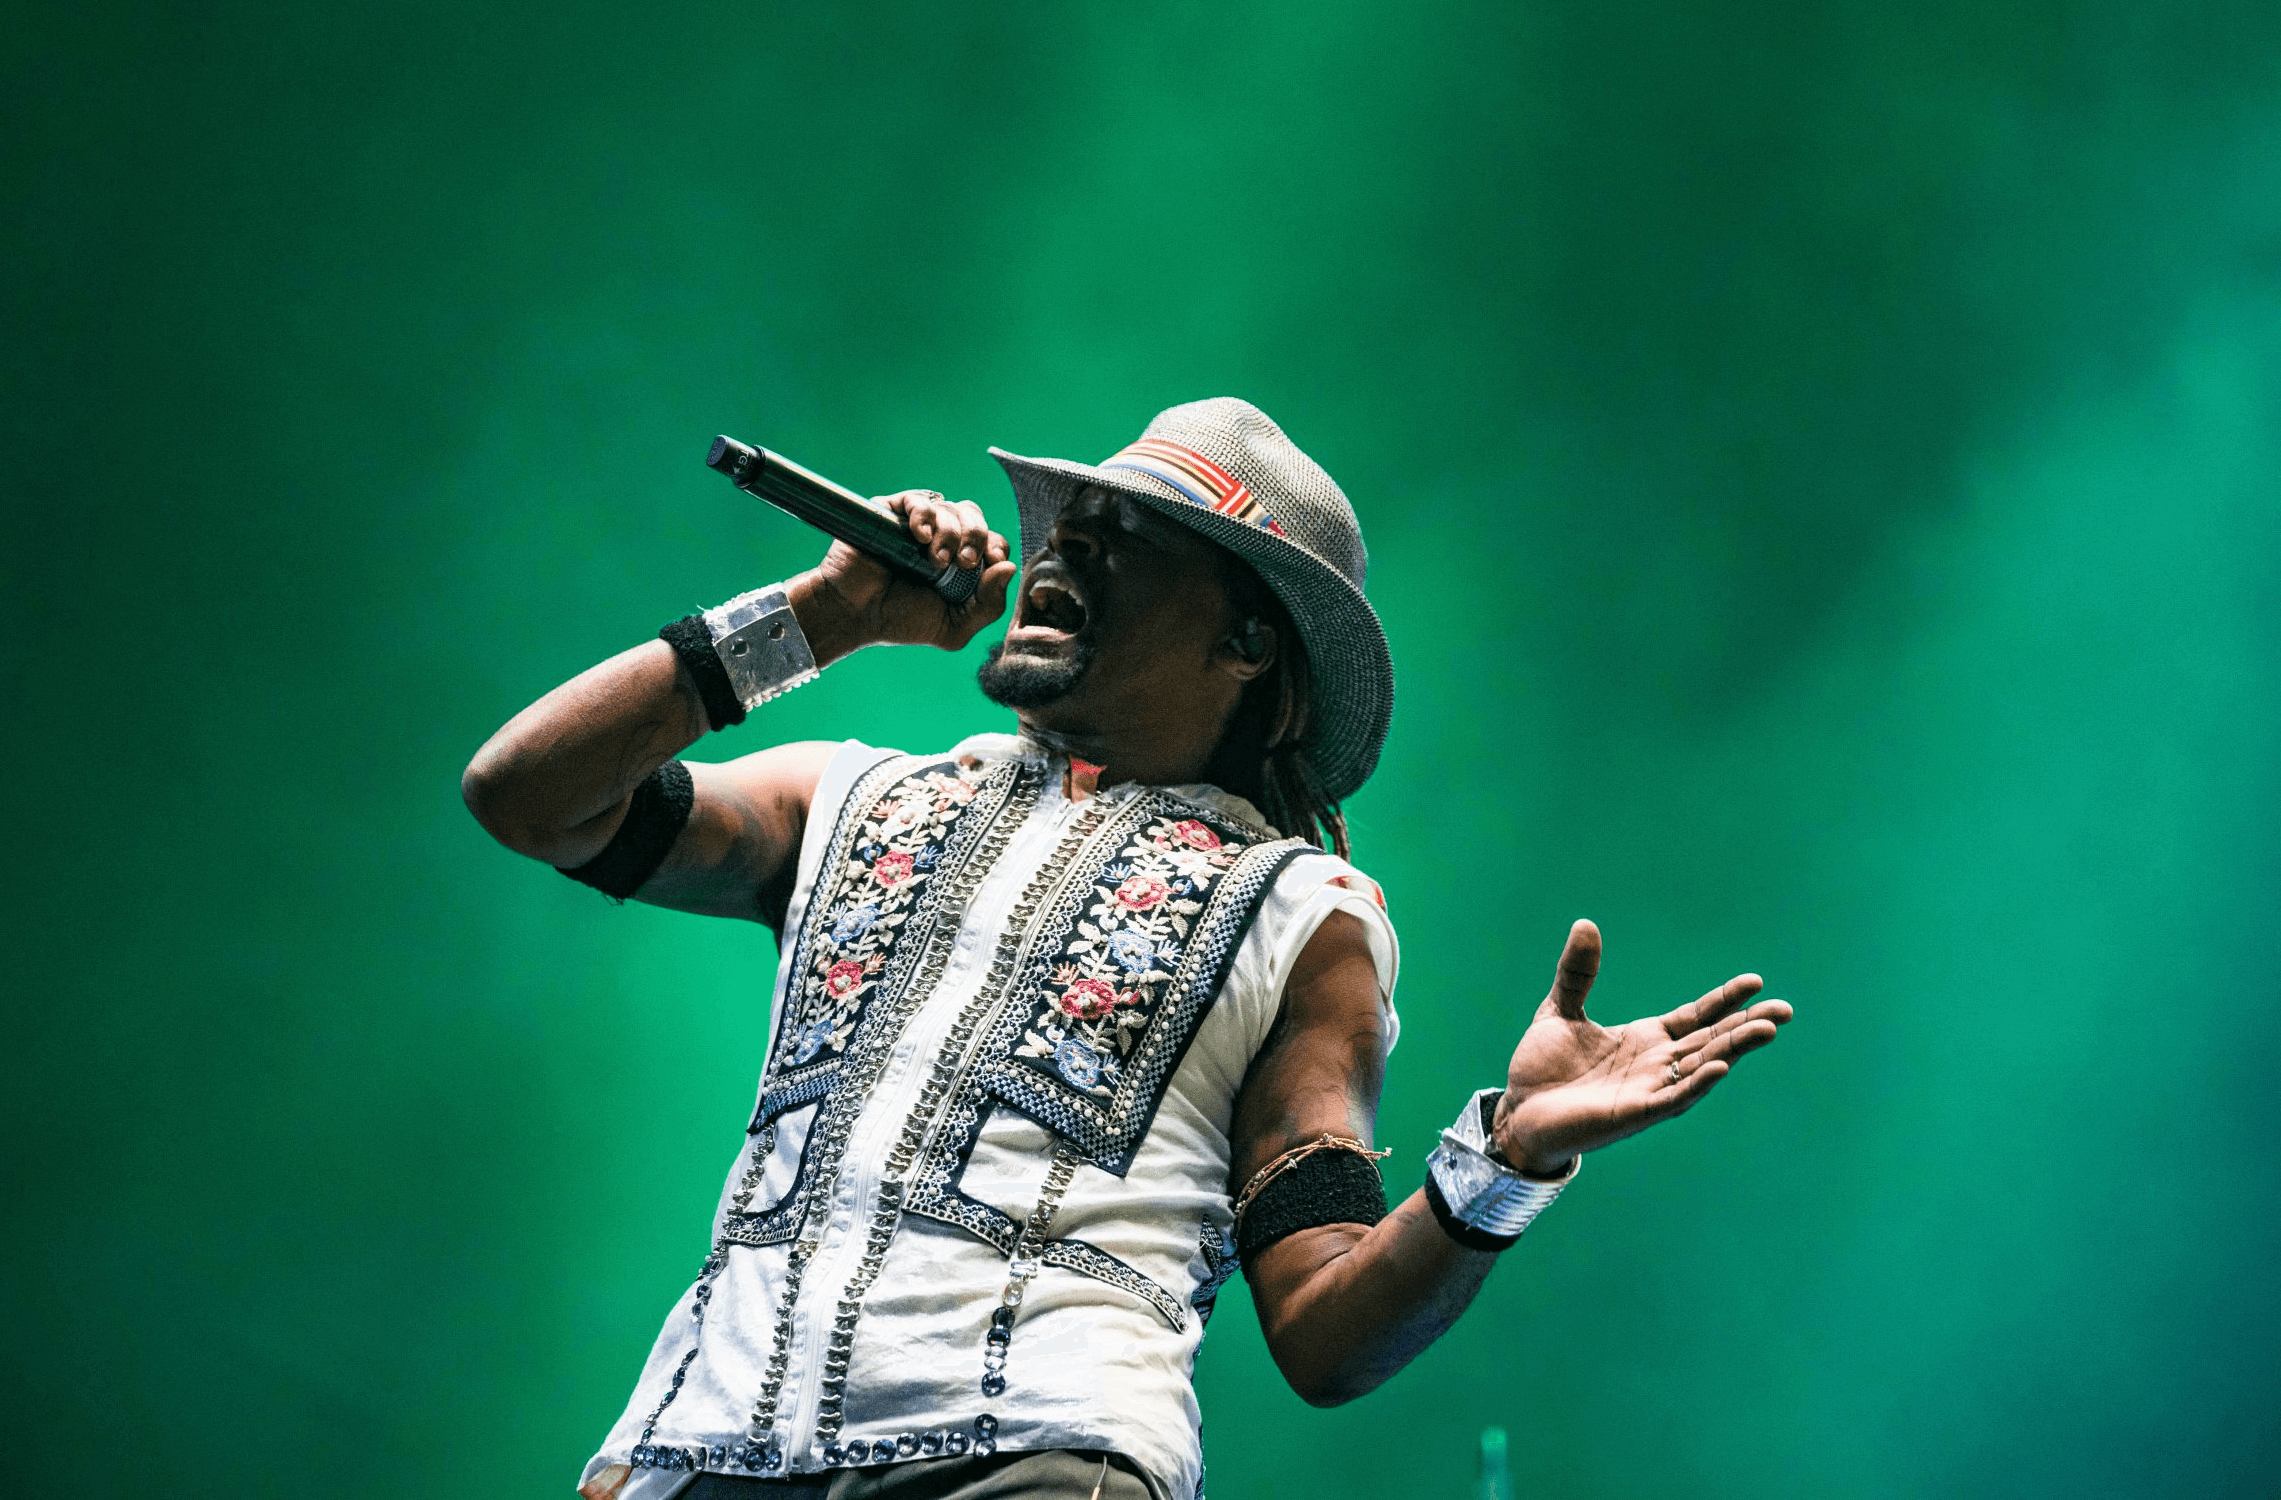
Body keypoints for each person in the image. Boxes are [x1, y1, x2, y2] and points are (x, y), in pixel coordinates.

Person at [463, 399, 1791, 1500]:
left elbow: (1324, 1330)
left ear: (1247, 640)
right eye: (1074, 518)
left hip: (1035, 1459)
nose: (1070, 541)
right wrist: (821, 617)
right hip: (694, 1450)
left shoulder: (1302, 915)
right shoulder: (848, 796)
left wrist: (1506, 1163)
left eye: (1133, 534)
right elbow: (526, 794)